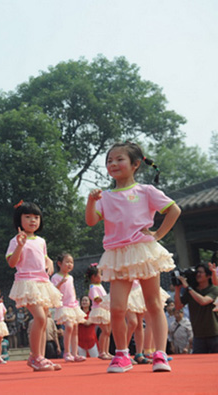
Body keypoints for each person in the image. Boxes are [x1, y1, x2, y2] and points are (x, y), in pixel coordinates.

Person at [86, 141, 181, 373]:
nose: (113, 164)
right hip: (117, 254)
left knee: (153, 303)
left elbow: (174, 210)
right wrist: (91, 201)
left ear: (135, 164)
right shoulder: (104, 197)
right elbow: (91, 221)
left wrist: (158, 234)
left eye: (119, 159)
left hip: (143, 250)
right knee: (117, 308)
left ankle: (159, 353)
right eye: (109, 160)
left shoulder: (146, 191)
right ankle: (121, 354)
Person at [6, 201, 62, 372]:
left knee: (44, 320)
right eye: (28, 217)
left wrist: (50, 261)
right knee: (40, 318)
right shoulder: (16, 240)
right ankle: (35, 356)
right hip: (27, 283)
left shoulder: (41, 241)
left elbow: (44, 257)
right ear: (19, 220)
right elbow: (11, 262)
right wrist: (20, 245)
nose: (32, 220)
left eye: (36, 217)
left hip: (42, 283)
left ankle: (40, 357)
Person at [174, 263, 218, 353]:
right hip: (198, 336)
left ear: (208, 275)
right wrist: (177, 289)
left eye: (200, 272)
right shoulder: (191, 290)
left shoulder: (214, 289)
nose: (197, 275)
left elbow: (203, 301)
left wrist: (188, 287)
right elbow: (178, 306)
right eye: (196, 272)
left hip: (214, 334)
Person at [51, 253, 86, 362]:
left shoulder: (71, 277)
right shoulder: (56, 277)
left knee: (75, 329)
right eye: (67, 262)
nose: (70, 264)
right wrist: (60, 283)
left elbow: (72, 291)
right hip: (63, 305)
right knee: (69, 326)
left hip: (73, 305)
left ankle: (75, 354)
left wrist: (76, 303)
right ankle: (67, 352)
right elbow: (53, 291)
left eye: (71, 262)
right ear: (59, 264)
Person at [86, 264, 112, 360]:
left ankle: (106, 351)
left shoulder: (99, 285)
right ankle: (102, 352)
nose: (101, 276)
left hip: (105, 309)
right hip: (99, 310)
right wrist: (107, 299)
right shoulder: (93, 287)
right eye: (100, 274)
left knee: (108, 331)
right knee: (105, 330)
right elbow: (96, 299)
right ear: (93, 277)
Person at [125, 280, 150, 364]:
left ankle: (139, 354)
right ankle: (124, 352)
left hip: (138, 290)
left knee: (139, 324)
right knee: (132, 322)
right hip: (125, 290)